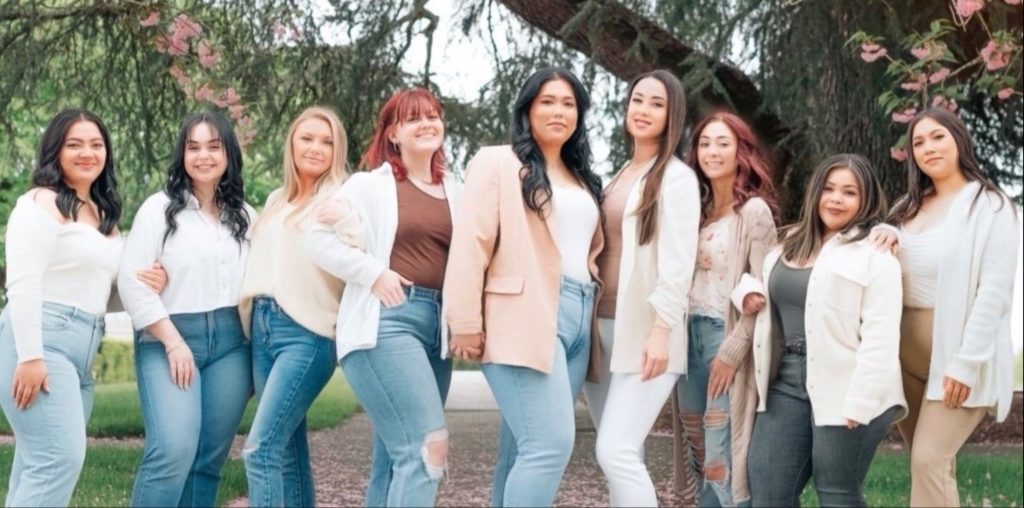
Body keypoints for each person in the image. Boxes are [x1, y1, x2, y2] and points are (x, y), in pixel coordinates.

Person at [443, 67, 604, 507]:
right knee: (549, 446)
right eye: (547, 101)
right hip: (521, 314)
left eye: (568, 103)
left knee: (522, 449)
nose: (558, 111)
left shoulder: (582, 177)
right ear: (527, 109)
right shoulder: (497, 161)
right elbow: (471, 243)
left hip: (578, 318)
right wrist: (464, 319)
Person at [304, 87, 460, 507]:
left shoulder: (457, 190)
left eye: (433, 115)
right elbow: (316, 239)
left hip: (438, 333)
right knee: (428, 448)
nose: (427, 123)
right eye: (413, 119)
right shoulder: (368, 186)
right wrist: (373, 273)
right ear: (393, 134)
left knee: (395, 460)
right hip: (386, 323)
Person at [748, 154, 906, 507]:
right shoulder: (786, 246)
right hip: (786, 382)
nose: (836, 198)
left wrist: (861, 402)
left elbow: (881, 339)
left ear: (865, 200)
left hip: (849, 384)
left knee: (836, 494)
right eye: (830, 189)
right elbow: (760, 283)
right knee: (769, 493)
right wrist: (746, 291)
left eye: (849, 192)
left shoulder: (876, 256)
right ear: (816, 192)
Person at [885, 108, 1020, 507]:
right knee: (928, 465)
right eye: (918, 143)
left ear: (959, 139)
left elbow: (995, 292)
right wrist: (884, 232)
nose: (928, 148)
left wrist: (964, 363)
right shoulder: (905, 209)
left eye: (937, 136)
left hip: (956, 358)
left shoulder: (992, 208)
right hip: (904, 356)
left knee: (930, 459)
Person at [119, 111, 255, 507]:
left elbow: (260, 287)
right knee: (173, 450)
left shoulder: (245, 216)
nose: (203, 156)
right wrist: (174, 343)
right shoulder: (159, 210)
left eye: (214, 146)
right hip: (169, 338)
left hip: (232, 345)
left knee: (208, 460)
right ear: (182, 154)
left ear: (228, 152)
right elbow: (132, 284)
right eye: (193, 147)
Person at [582, 69, 699, 507]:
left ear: (672, 116)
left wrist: (661, 330)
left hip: (647, 334)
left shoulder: (676, 178)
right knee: (619, 457)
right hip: (602, 330)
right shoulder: (620, 175)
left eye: (656, 103)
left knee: (616, 451)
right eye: (638, 100)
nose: (643, 110)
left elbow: (678, 263)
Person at [0, 109, 125, 506]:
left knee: (35, 465)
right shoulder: (39, 203)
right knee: (57, 460)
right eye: (74, 144)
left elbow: (98, 288)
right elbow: (22, 283)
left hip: (82, 352)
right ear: (55, 151)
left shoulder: (102, 213)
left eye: (96, 144)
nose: (87, 152)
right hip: (43, 344)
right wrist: (31, 356)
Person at [238, 106, 352, 507]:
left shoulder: (341, 197)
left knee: (260, 450)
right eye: (307, 138)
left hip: (308, 335)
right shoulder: (275, 199)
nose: (316, 148)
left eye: (327, 141)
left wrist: (350, 222)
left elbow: (365, 246)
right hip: (263, 332)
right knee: (287, 450)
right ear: (291, 143)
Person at [671, 111, 779, 507]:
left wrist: (733, 352)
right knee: (697, 449)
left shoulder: (753, 212)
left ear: (741, 152)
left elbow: (765, 290)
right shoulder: (692, 213)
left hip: (724, 336)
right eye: (704, 143)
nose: (712, 152)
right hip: (686, 342)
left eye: (723, 143)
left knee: (721, 453)